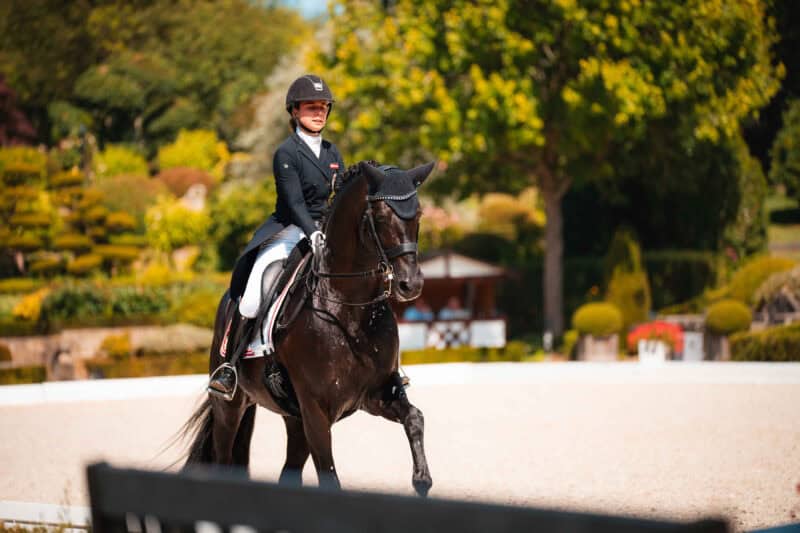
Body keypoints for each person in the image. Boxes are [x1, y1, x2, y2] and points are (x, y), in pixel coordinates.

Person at [208, 74, 345, 400]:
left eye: (323, 107)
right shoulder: (286, 153)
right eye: (311, 107)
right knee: (255, 289)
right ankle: (230, 367)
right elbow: (295, 203)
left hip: (324, 229)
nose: (319, 112)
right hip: (289, 229)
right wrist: (311, 233)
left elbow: (338, 196)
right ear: (295, 111)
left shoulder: (332, 150)